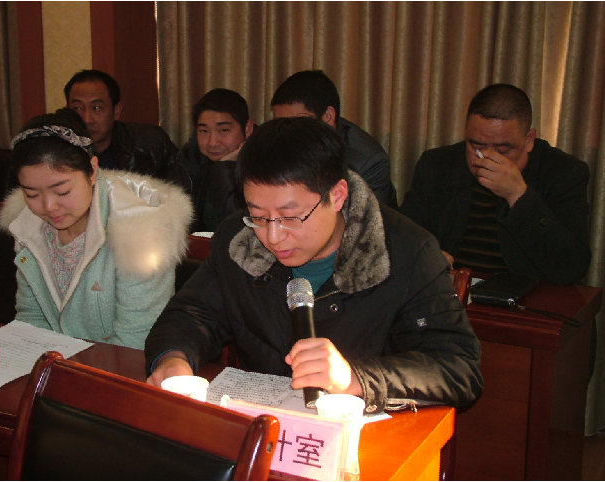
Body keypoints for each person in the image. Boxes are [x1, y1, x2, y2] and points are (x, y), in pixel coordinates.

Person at [145, 117, 483, 412]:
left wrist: (355, 377)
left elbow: (458, 368)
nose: (273, 236)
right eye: (258, 216)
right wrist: (174, 358)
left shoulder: (408, 252)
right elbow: (191, 314)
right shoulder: (239, 240)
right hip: (263, 425)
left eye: (291, 217)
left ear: (337, 195)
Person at [0, 108, 193, 349]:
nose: (49, 207)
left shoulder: (140, 233)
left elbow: (135, 341)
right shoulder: (29, 227)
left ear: (92, 171)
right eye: (31, 194)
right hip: (58, 362)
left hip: (116, 364)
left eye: (62, 192)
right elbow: (31, 319)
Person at [400, 83, 591, 285]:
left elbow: (571, 267)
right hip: (451, 292)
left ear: (529, 140)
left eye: (502, 150)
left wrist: (518, 196)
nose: (487, 158)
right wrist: (425, 255)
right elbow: (402, 237)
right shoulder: (437, 166)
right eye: (477, 146)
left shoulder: (563, 173)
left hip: (525, 296)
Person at [270, 69, 397, 208]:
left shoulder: (368, 162)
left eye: (299, 122)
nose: (288, 133)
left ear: (328, 116)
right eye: (280, 124)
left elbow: (363, 218)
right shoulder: (277, 142)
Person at [64, 69, 190, 187]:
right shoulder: (58, 150)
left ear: (117, 111)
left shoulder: (151, 143)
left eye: (97, 108)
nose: (87, 120)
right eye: (77, 108)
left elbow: (182, 190)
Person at [176, 88, 254, 232]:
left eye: (223, 130)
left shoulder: (264, 167)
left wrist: (224, 168)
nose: (212, 142)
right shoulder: (188, 162)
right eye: (204, 131)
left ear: (247, 128)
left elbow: (242, 232)